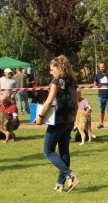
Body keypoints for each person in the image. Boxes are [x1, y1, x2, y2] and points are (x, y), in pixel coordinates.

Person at [33, 55, 80, 193]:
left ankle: (70, 174)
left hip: (57, 120)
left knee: (48, 151)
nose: (50, 72)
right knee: (64, 151)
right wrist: (74, 120)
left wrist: (40, 117)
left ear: (59, 68)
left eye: (52, 69)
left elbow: (48, 101)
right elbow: (76, 104)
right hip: (69, 120)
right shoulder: (73, 81)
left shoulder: (56, 82)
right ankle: (60, 183)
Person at [93, 62, 108, 129]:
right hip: (100, 96)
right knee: (101, 110)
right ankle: (101, 123)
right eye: (100, 67)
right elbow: (95, 84)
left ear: (106, 66)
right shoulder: (98, 75)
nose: (101, 69)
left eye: (102, 67)